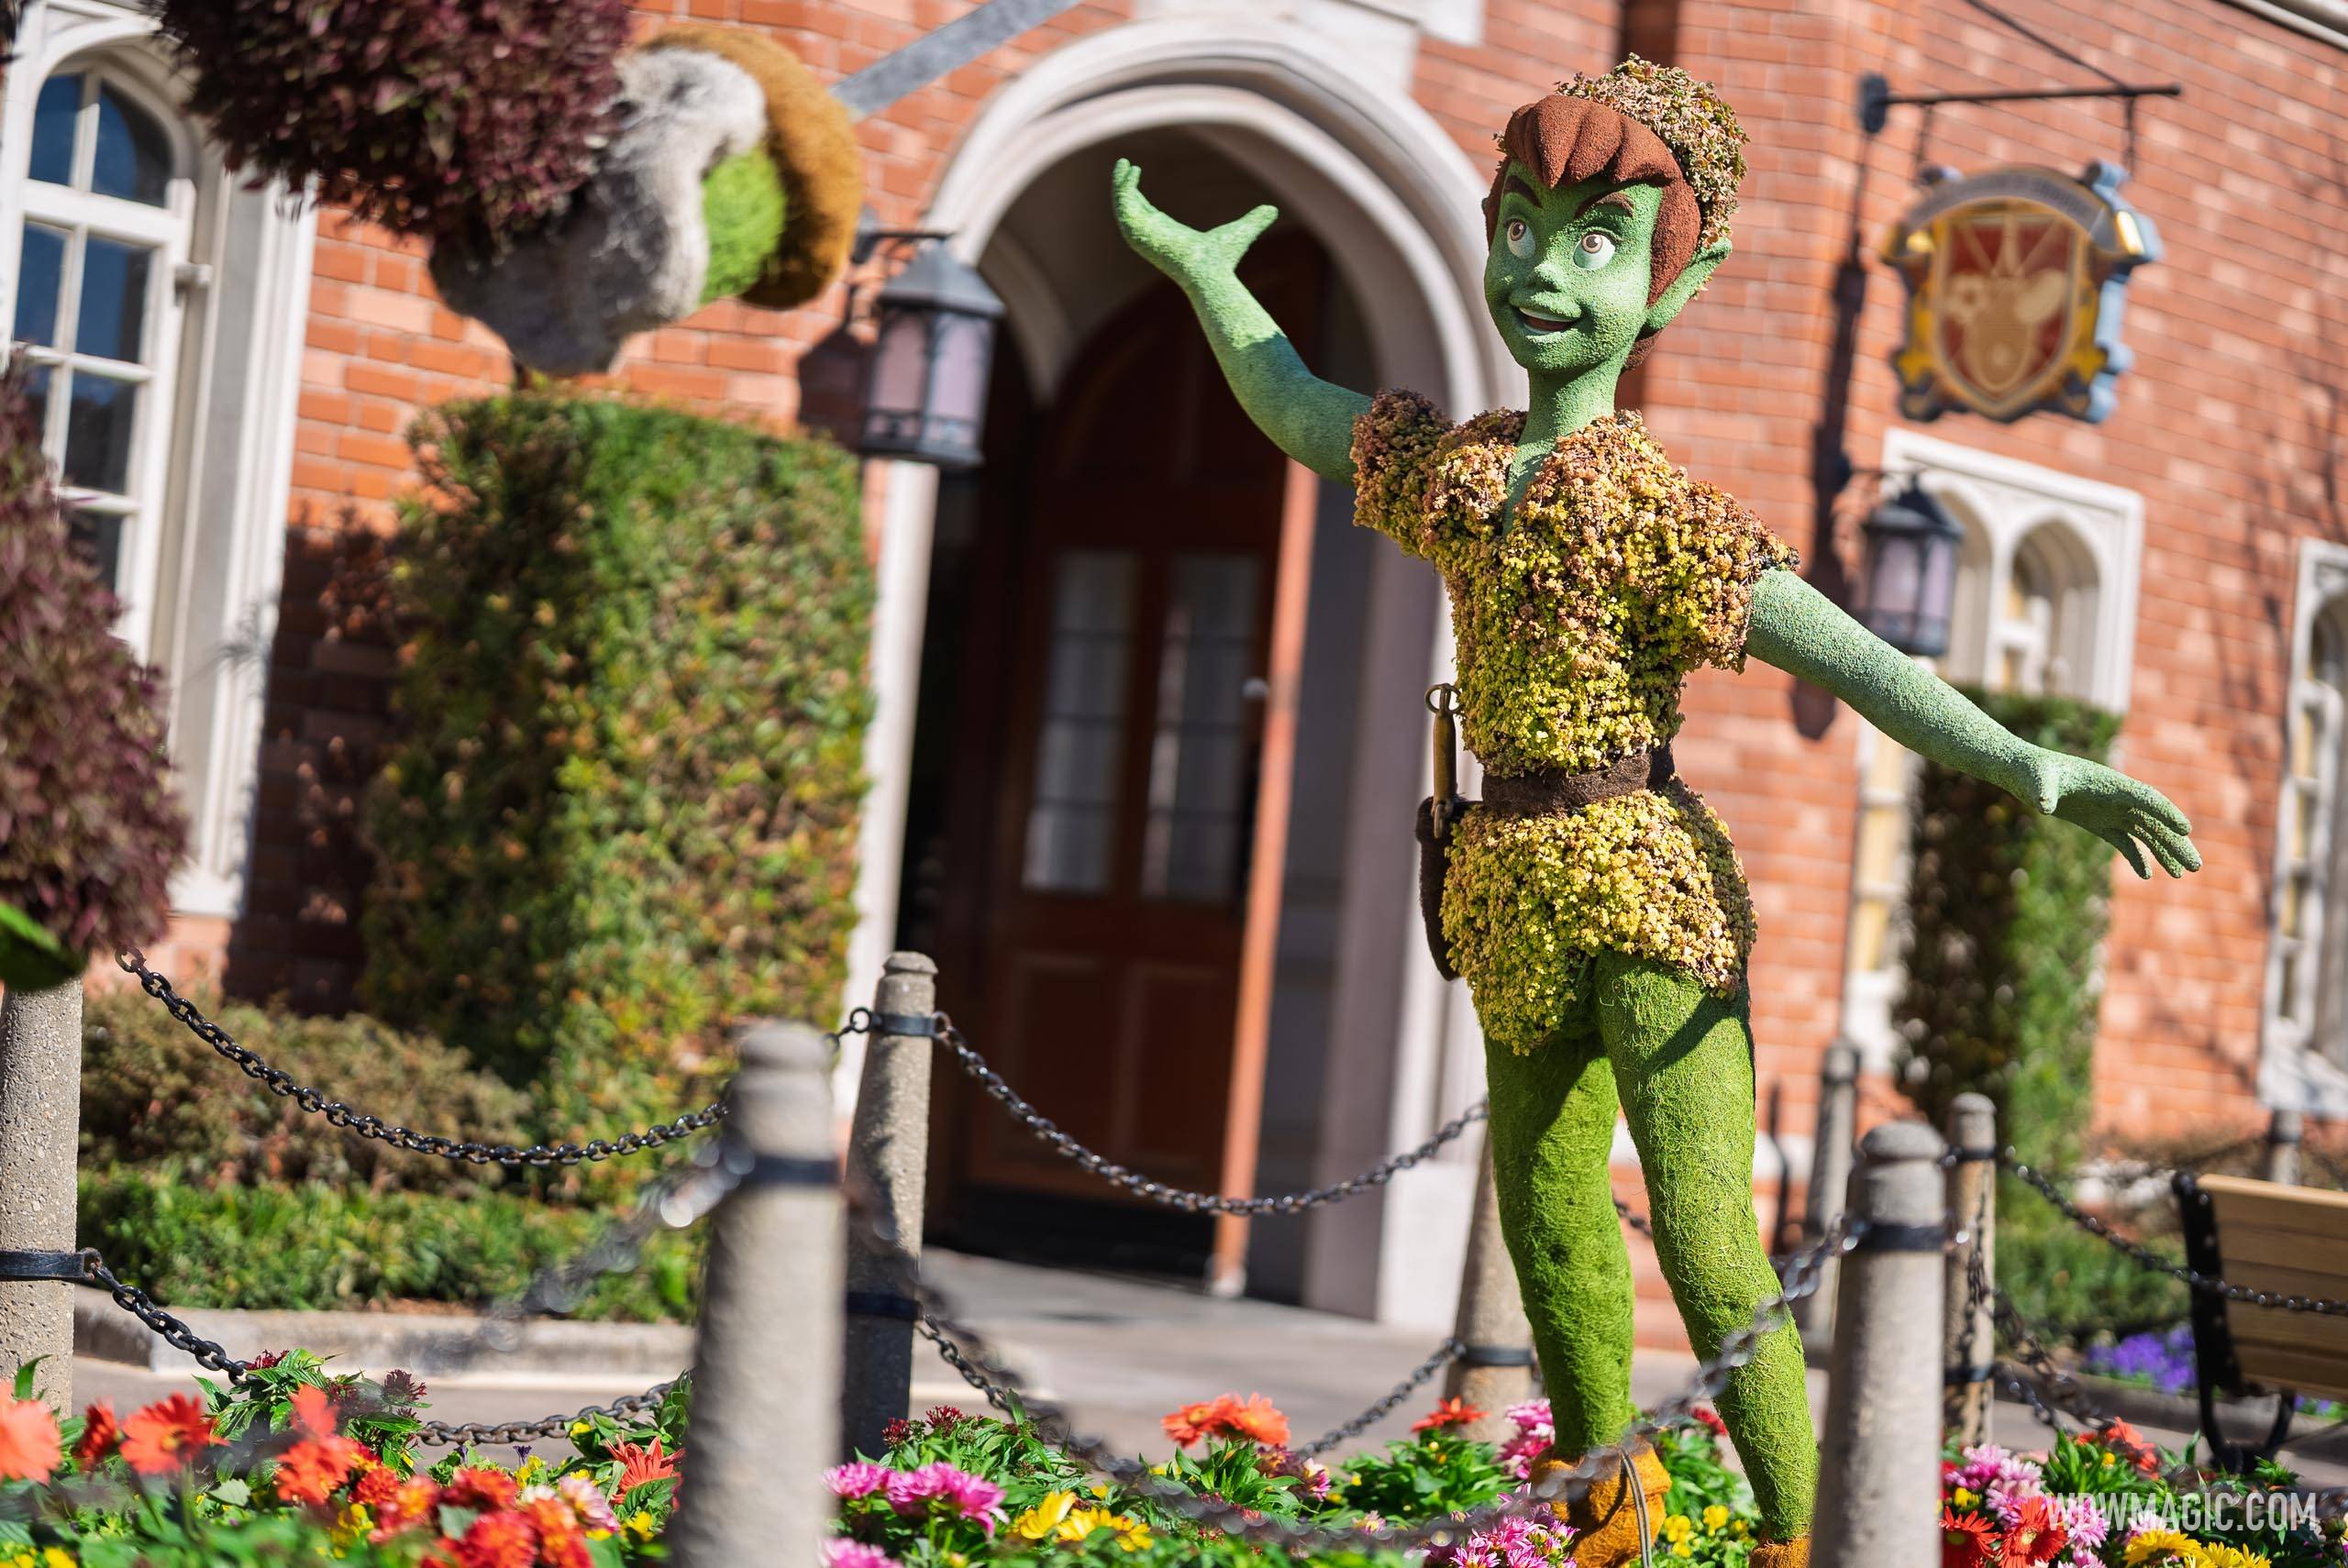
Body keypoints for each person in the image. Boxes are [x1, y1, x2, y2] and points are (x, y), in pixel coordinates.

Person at [1110, 57, 2198, 1568]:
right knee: (1551, 1230)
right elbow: (1300, 405)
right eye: (1524, 227)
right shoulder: (1458, 471)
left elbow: (1853, 653)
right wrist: (1208, 280)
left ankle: (1812, 1529)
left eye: (1598, 240)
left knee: (1700, 1228)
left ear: (1676, 289)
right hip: (1504, 878)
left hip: (1643, 879)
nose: (1545, 272)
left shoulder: (1656, 509)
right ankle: (1605, 1520)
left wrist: (2030, 763)